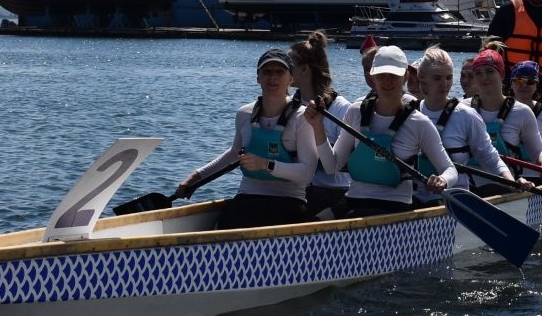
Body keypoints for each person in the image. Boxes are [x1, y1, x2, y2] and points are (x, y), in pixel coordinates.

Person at [178, 48, 318, 229]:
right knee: (231, 219)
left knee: (245, 217)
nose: (272, 77)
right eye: (266, 72)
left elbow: (307, 172)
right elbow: (234, 154)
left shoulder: (302, 117)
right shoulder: (244, 114)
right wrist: (195, 178)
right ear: (258, 77)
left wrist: (265, 165)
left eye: (279, 72)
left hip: (288, 199)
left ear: (290, 79)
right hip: (247, 196)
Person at [311, 45, 457, 216]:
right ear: (373, 77)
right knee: (313, 222)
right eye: (382, 75)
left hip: (395, 205)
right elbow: (331, 166)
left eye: (394, 75)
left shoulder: (419, 123)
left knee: (354, 217)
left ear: (405, 77)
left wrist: (442, 180)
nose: (387, 81)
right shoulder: (355, 112)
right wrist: (317, 126)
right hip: (352, 199)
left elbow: (450, 170)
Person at [412, 46, 520, 205]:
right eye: (437, 78)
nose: (444, 85)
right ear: (422, 78)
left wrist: (512, 184)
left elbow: (489, 158)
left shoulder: (465, 116)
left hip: (454, 200)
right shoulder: (410, 114)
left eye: (449, 78)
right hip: (413, 199)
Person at [289, 30, 354, 220]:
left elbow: (345, 162)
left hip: (332, 191)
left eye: (289, 65)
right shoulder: (289, 106)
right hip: (299, 190)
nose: (283, 70)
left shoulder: (342, 109)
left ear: (304, 69)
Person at [465, 47, 542, 189]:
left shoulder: (522, 112)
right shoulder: (462, 109)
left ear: (502, 75)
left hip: (506, 184)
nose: (483, 77)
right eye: (478, 73)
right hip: (467, 186)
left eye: (489, 71)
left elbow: (538, 151)